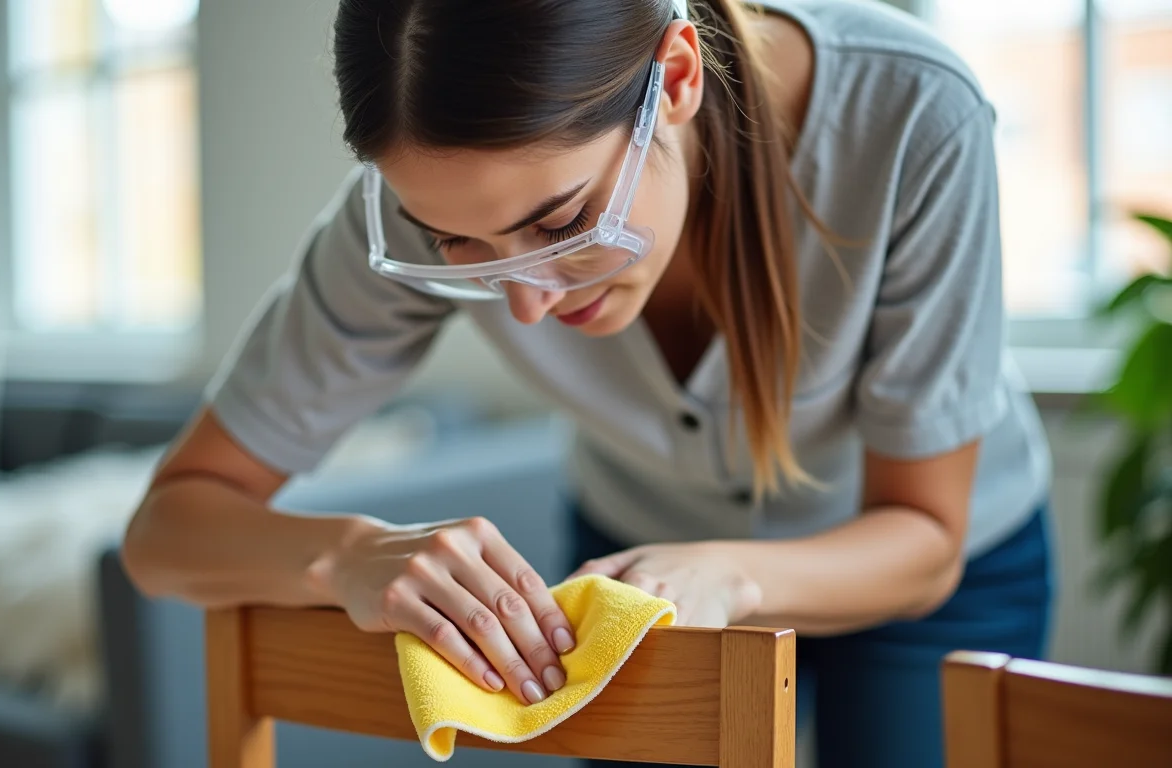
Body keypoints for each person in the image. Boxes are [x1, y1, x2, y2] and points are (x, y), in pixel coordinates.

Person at [121, 0, 1055, 765]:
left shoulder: (913, 113)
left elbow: (927, 538)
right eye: (462, 250)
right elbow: (165, 533)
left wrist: (728, 570)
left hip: (934, 570)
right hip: (642, 558)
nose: (523, 305)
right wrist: (347, 555)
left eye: (561, 220)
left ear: (677, 76)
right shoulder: (410, 217)